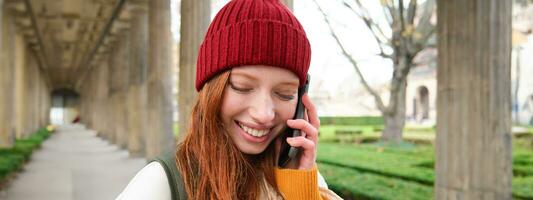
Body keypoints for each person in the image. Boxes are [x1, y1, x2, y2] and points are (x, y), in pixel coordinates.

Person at [117, 0, 342, 199]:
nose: (264, 114)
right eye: (242, 87)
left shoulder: (305, 178)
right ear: (211, 88)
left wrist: (300, 187)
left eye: (285, 94)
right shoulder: (162, 183)